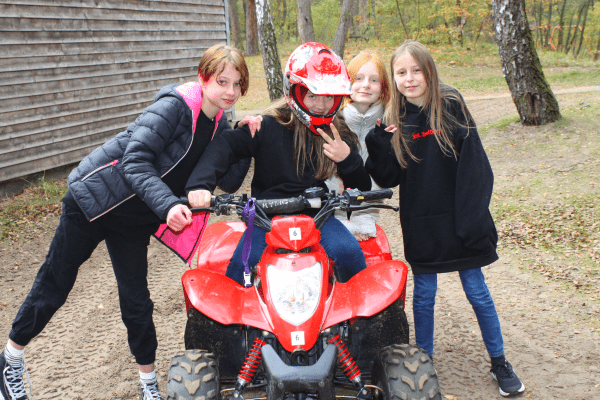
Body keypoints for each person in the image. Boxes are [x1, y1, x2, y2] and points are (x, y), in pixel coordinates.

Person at [0, 44, 253, 400]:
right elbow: (134, 161)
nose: (229, 91)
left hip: (134, 219)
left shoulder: (218, 124)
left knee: (136, 301)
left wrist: (243, 140)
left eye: (237, 84)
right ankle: (11, 358)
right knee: (55, 283)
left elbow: (225, 181)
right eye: (222, 81)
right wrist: (166, 206)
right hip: (93, 202)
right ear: (203, 77)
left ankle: (148, 385)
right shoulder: (175, 107)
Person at [364, 40, 525, 397]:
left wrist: (472, 220)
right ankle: (424, 362)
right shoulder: (395, 119)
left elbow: (476, 168)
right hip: (421, 223)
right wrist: (377, 142)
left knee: (478, 293)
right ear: (394, 79)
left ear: (429, 70)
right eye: (401, 73)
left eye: (416, 70)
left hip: (461, 221)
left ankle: (499, 361)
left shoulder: (450, 105)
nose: (410, 79)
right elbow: (389, 176)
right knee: (424, 297)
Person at [186, 42, 373, 286]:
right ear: (295, 91)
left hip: (318, 216)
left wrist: (346, 159)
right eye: (313, 94)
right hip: (265, 217)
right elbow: (225, 146)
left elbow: (363, 187)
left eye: (329, 96)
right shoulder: (267, 125)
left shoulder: (337, 132)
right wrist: (200, 185)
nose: (322, 104)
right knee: (241, 267)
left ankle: (357, 321)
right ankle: (237, 324)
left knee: (349, 254)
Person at [325, 50, 392, 241]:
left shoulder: (389, 123)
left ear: (383, 87)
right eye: (359, 78)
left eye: (374, 80)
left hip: (367, 217)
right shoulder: (331, 119)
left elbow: (385, 174)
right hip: (332, 217)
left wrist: (366, 218)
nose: (365, 85)